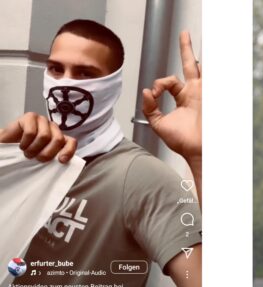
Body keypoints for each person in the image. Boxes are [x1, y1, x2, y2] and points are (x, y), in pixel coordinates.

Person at [0, 19, 202, 286]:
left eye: (85, 73)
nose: (65, 84)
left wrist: (201, 158)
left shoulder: (141, 178)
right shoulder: (25, 154)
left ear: (113, 85)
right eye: (56, 69)